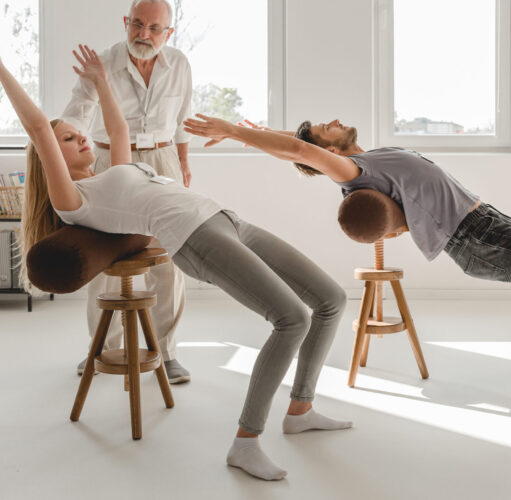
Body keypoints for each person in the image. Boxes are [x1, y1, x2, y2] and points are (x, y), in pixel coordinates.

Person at [0, 48, 352, 481]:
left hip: (228, 220)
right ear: (49, 154)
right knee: (291, 318)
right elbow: (37, 125)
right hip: (195, 238)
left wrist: (101, 82)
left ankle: (301, 407)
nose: (82, 138)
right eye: (68, 139)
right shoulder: (73, 200)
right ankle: (246, 442)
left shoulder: (111, 173)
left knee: (331, 299)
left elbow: (118, 129)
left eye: (78, 133)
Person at [182, 115, 511, 408]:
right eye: (325, 128)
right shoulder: (354, 170)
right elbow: (305, 155)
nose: (335, 121)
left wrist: (262, 135)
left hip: (491, 219)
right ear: (329, 150)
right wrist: (240, 134)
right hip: (480, 238)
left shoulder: (370, 159)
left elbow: (299, 151)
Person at [60, 0, 192, 383]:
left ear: (168, 32)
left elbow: (182, 120)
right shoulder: (101, 64)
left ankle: (165, 353)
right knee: (103, 262)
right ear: (125, 22)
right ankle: (102, 348)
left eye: (154, 28)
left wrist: (183, 163)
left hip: (163, 161)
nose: (143, 34)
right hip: (107, 163)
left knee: (169, 261)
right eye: (137, 24)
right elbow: (74, 115)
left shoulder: (180, 64)